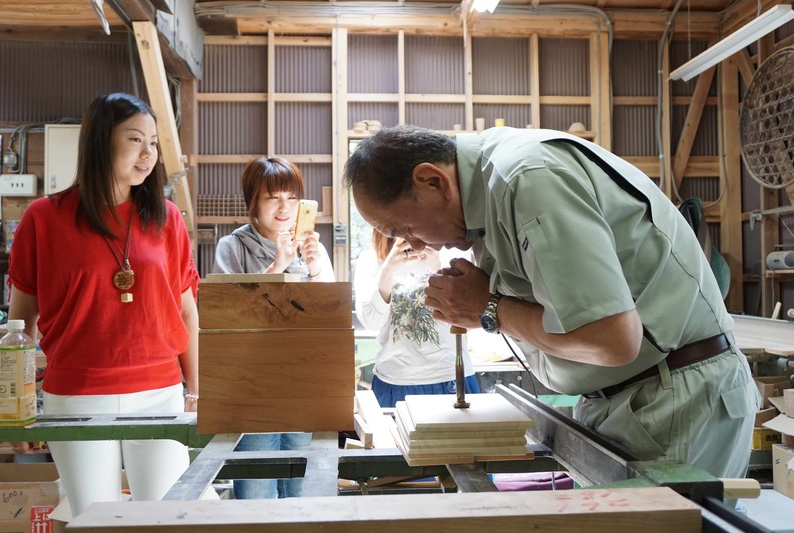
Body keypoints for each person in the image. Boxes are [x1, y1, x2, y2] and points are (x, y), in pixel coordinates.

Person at [344, 124, 760, 479]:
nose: (412, 243)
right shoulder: (489, 199)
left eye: (404, 227)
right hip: (636, 397)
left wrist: (488, 309)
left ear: (432, 181)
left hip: (672, 398)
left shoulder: (527, 177)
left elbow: (612, 339)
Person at [7, 93, 199, 517]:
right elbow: (21, 321)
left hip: (160, 393)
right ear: (99, 143)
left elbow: (186, 311)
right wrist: (16, 404)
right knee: (92, 517)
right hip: (76, 396)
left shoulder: (166, 218)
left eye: (153, 142)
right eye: (135, 139)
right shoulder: (43, 218)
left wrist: (196, 389)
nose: (148, 153)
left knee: (167, 516)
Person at [212, 156, 335, 499]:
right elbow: (229, 313)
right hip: (252, 389)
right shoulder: (232, 247)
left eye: (293, 198)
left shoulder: (312, 248)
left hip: (301, 384)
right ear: (253, 201)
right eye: (273, 197)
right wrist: (278, 265)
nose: (285, 207)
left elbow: (329, 317)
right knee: (256, 491)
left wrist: (316, 271)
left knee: (303, 489)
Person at [354, 229, 479, 407]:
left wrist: (438, 266)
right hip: (396, 380)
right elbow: (371, 323)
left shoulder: (452, 252)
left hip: (450, 376)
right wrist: (387, 271)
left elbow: (472, 314)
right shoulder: (370, 260)